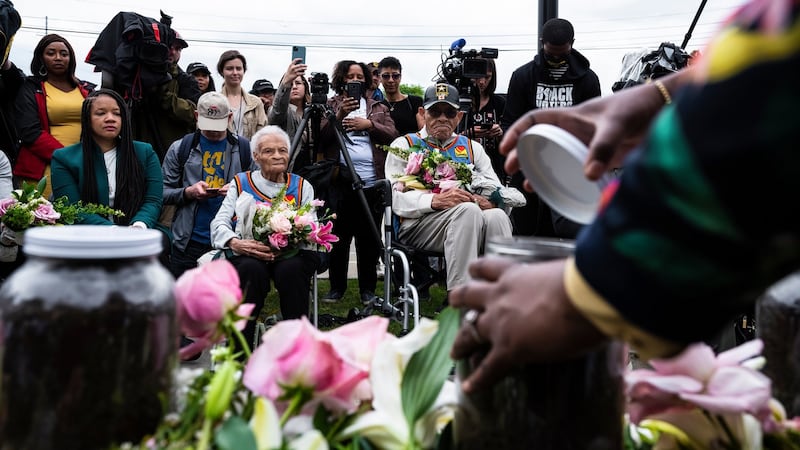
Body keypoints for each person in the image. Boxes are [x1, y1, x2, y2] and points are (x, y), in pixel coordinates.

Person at [449, 0, 800, 394]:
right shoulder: (522, 77)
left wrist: (590, 294)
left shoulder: (586, 77)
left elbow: (768, 102)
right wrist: (664, 96)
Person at [385, 82, 512, 294]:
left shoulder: (472, 148)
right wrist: (433, 201)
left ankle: (500, 294)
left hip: (468, 219)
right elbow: (393, 197)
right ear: (422, 113)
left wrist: (491, 201)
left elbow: (497, 189)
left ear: (459, 117)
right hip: (419, 224)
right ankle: (462, 297)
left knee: (497, 216)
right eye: (435, 111)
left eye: (449, 112)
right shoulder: (404, 145)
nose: (442, 118)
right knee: (468, 210)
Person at [210, 125, 320, 347]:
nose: (277, 155)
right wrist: (236, 243)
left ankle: (297, 348)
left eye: (282, 150)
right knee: (251, 271)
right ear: (256, 156)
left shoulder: (301, 186)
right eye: (269, 151)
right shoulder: (241, 183)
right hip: (249, 252)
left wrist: (292, 237)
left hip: (290, 254)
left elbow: (312, 227)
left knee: (293, 271)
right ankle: (239, 349)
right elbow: (219, 222)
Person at [500, 18, 600, 238]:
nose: (555, 57)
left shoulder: (588, 80)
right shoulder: (523, 76)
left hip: (569, 171)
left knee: (565, 234)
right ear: (541, 42)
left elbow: (593, 128)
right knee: (527, 233)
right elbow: (509, 122)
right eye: (550, 52)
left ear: (572, 43)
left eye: (561, 53)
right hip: (530, 169)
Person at [50, 89, 169, 260]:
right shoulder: (63, 158)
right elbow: (73, 209)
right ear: (87, 119)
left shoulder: (145, 152)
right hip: (87, 238)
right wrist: (114, 232)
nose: (110, 118)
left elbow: (153, 200)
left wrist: (138, 227)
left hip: (140, 234)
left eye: (117, 113)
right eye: (100, 113)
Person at [317, 60, 397, 304]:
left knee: (368, 240)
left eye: (359, 76)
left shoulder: (378, 107)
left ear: (366, 80)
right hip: (340, 180)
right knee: (339, 237)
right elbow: (321, 138)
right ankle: (336, 288)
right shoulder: (329, 105)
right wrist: (339, 115)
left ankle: (368, 290)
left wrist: (370, 125)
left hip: (372, 182)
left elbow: (393, 135)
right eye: (350, 76)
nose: (355, 80)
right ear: (341, 79)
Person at [162, 91, 255, 279]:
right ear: (197, 116)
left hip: (231, 240)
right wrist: (188, 192)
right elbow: (162, 193)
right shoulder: (180, 148)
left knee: (228, 303)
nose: (213, 131)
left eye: (219, 125)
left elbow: (261, 191)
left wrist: (238, 189)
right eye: (208, 124)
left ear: (229, 117)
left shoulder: (245, 150)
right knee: (183, 303)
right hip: (188, 241)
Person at [13, 34, 93, 196]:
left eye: (64, 54)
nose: (58, 58)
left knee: (81, 218)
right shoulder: (30, 87)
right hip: (43, 169)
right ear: (41, 58)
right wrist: (68, 158)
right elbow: (30, 132)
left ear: (71, 58)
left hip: (82, 168)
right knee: (43, 218)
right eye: (51, 53)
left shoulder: (86, 90)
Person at [466, 58, 507, 184]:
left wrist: (499, 133)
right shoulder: (461, 102)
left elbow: (507, 144)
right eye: (478, 77)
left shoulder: (500, 103)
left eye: (488, 77)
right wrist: (468, 134)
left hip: (494, 169)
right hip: (465, 167)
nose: (482, 82)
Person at [217, 50, 267, 140]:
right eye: (229, 68)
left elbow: (262, 135)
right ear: (221, 71)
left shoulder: (255, 103)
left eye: (239, 68)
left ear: (244, 71)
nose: (235, 73)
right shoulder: (213, 101)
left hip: (249, 152)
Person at [268, 58, 310, 146]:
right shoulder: (280, 110)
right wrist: (286, 82)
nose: (294, 87)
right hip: (289, 157)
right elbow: (277, 113)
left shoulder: (313, 110)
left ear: (305, 86)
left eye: (298, 83)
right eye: (291, 84)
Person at [378, 56, 423, 136]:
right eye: (386, 76)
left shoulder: (415, 102)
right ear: (380, 78)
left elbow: (423, 132)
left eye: (395, 76)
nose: (391, 80)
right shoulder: (378, 107)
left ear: (400, 77)